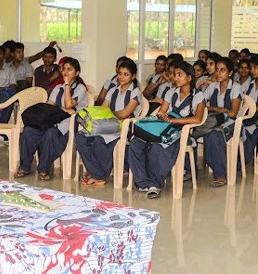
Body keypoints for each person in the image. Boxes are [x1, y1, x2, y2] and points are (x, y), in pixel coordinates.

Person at [128, 60, 206, 199]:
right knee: (136, 143)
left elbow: (197, 119)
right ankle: (144, 182)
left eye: (179, 75)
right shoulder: (171, 92)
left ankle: (156, 184)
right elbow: (162, 111)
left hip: (181, 131)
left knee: (157, 147)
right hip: (165, 127)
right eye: (174, 75)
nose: (175, 77)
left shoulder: (198, 96)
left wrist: (173, 120)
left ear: (189, 77)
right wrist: (163, 115)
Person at [15, 57, 88, 182]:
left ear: (77, 73)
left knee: (50, 133)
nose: (65, 72)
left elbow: (69, 104)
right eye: (64, 69)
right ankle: (24, 166)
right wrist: (63, 110)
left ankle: (44, 169)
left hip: (68, 124)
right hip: (52, 120)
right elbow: (49, 106)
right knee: (28, 131)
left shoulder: (80, 89)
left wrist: (66, 86)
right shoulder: (57, 87)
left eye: (69, 69)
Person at [77, 58, 140, 186]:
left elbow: (124, 114)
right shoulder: (113, 90)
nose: (122, 77)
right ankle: (98, 172)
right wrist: (102, 115)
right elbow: (103, 109)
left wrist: (109, 114)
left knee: (98, 140)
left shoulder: (135, 92)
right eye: (120, 74)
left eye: (126, 74)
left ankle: (98, 175)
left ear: (133, 76)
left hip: (123, 128)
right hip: (107, 126)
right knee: (80, 136)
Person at [202, 58, 243, 187]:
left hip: (231, 123)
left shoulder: (236, 88)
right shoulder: (212, 87)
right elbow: (200, 105)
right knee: (207, 133)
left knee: (213, 134)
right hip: (215, 119)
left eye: (223, 70)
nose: (218, 73)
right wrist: (215, 109)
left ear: (230, 73)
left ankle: (221, 175)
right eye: (217, 70)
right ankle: (221, 166)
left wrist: (219, 111)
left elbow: (233, 113)